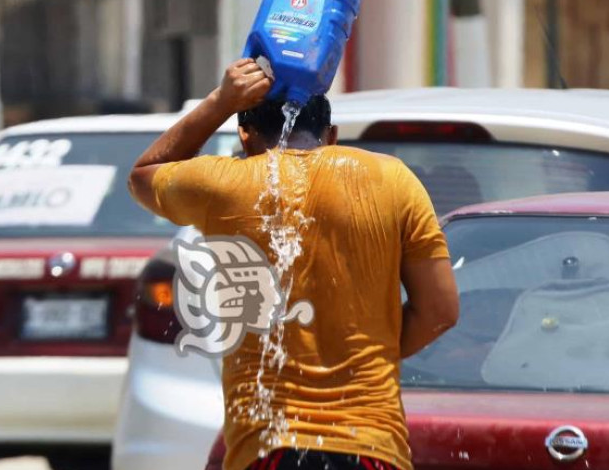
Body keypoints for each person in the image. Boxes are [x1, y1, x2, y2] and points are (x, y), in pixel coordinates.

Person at [129, 58, 460, 470]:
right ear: (332, 135)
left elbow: (143, 175)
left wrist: (221, 101)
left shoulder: (223, 183)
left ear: (245, 138)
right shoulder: (393, 180)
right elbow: (440, 311)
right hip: (371, 446)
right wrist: (364, 358)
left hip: (269, 447)